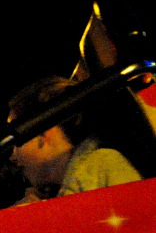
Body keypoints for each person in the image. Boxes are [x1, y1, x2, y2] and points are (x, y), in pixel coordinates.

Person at [8, 76, 142, 202]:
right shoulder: (80, 180)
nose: (13, 156)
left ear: (44, 132)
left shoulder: (101, 166)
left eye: (18, 141)